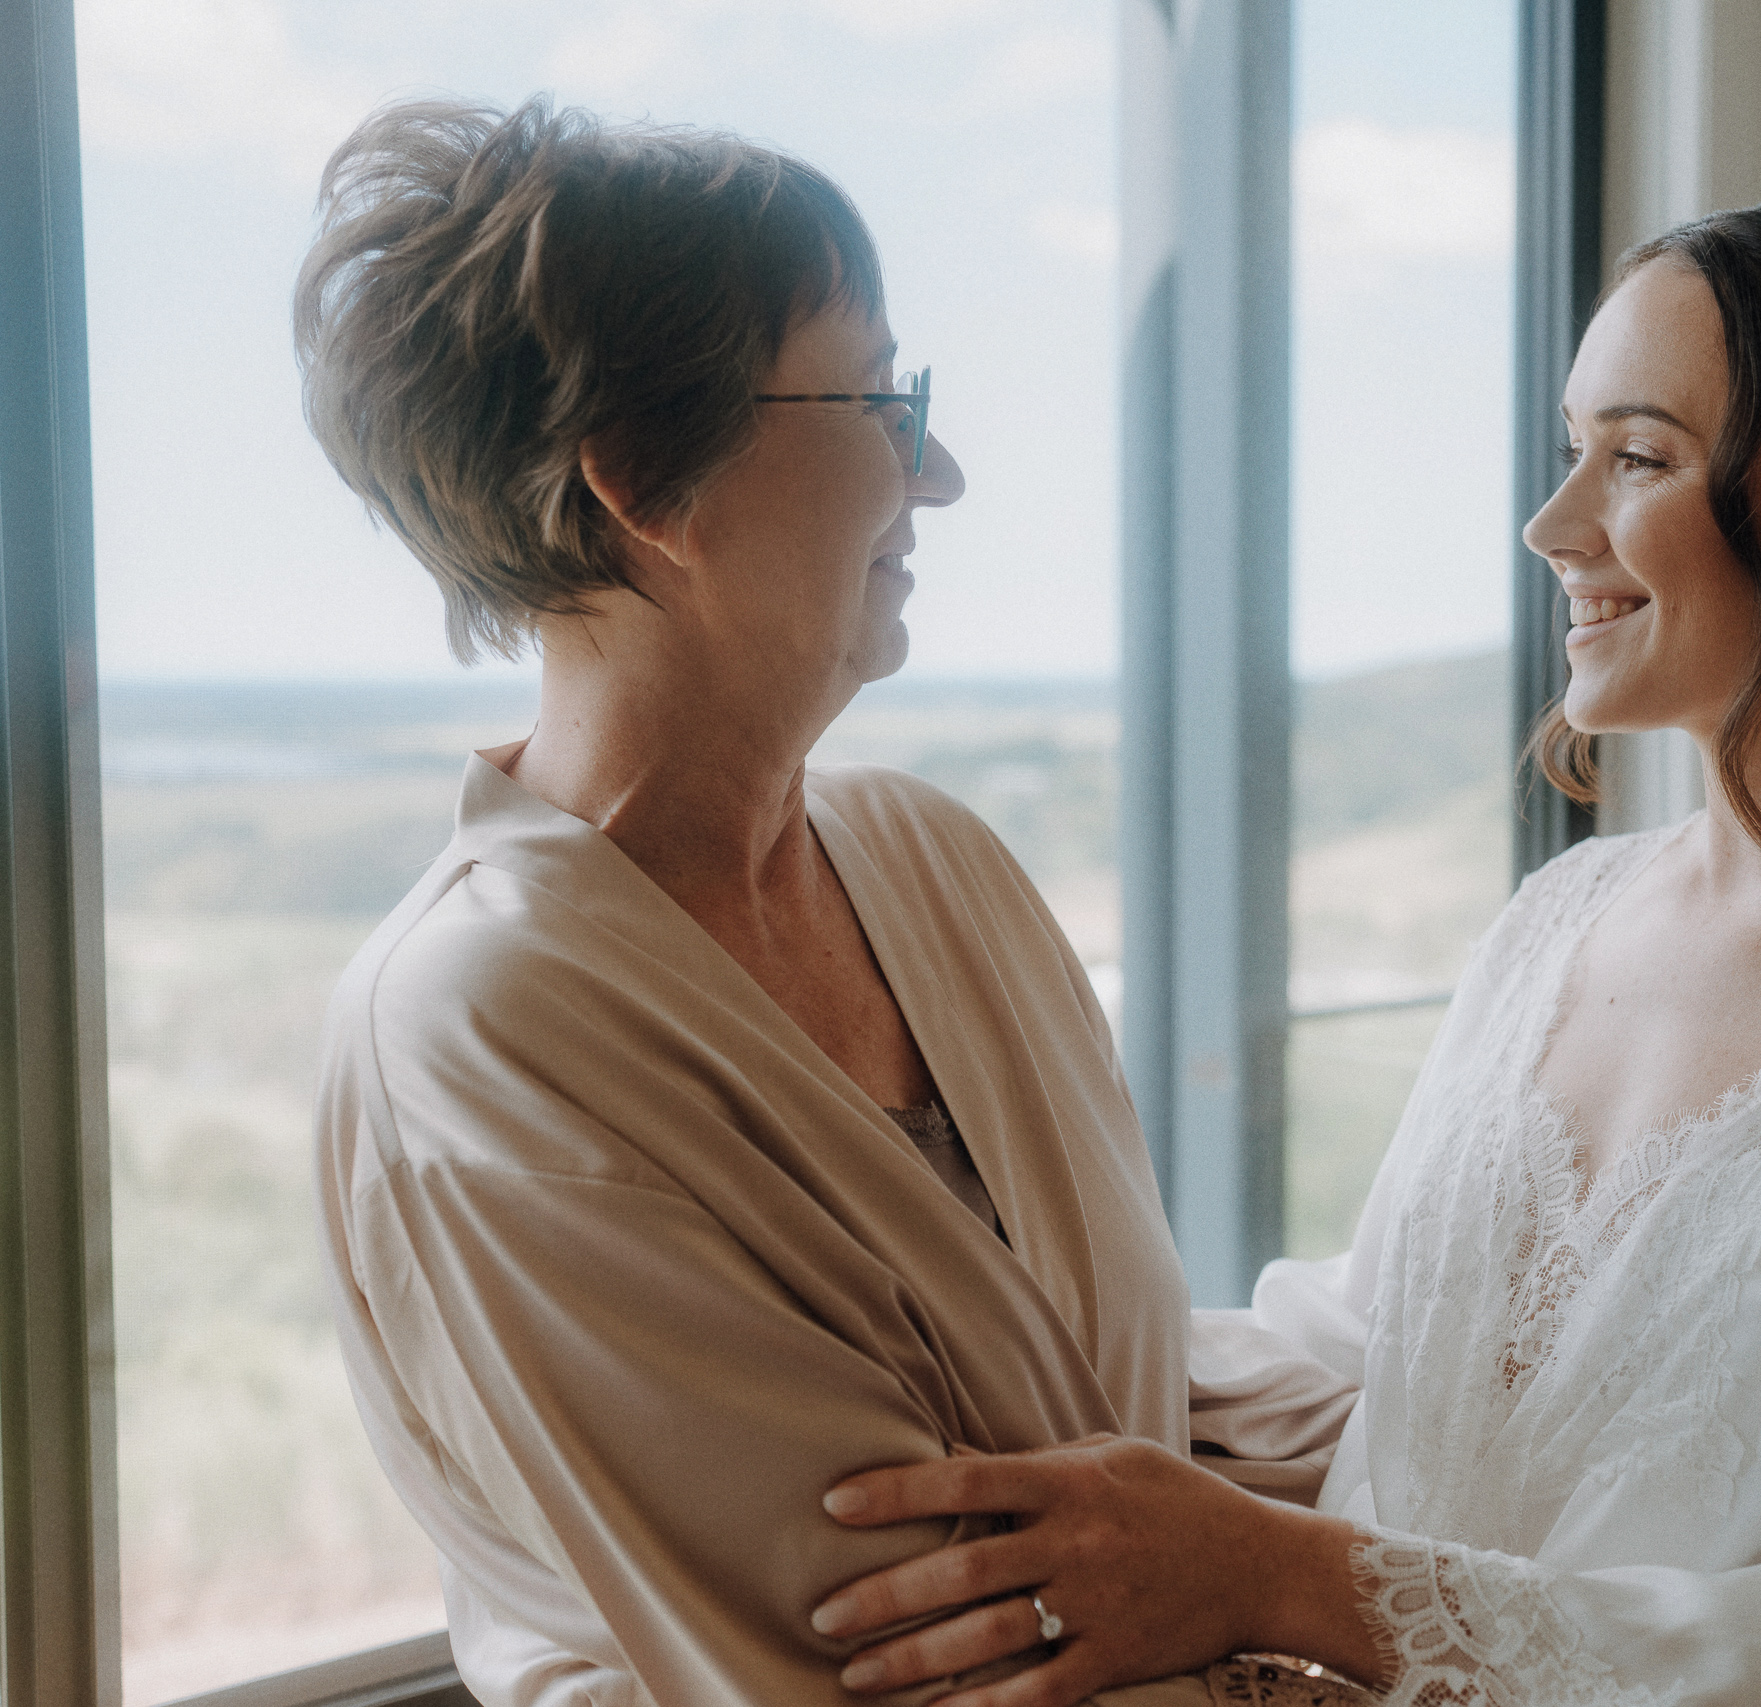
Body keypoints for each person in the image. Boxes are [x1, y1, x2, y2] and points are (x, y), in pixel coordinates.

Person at [808, 190, 1761, 1707]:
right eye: (1573, 449)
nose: (1553, 525)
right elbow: (1362, 1365)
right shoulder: (1559, 923)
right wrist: (925, 1316)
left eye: (1636, 457)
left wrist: (1288, 1578)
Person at [300, 97, 1225, 1707]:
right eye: (881, 395)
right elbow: (898, 1658)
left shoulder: (939, 863)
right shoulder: (482, 1026)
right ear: (644, 484)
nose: (937, 467)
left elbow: (1144, 1430)